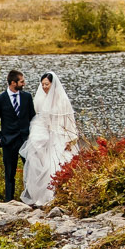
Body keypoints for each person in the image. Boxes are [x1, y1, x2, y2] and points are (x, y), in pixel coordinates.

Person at [22, 70, 81, 206]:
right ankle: (44, 197)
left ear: (53, 84)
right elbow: (39, 118)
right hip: (45, 137)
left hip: (60, 136)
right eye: (42, 84)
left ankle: (61, 195)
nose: (44, 87)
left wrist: (71, 139)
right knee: (44, 165)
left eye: (47, 84)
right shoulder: (40, 99)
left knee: (58, 164)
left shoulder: (62, 100)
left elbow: (69, 120)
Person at [0, 69, 36, 202]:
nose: (24, 84)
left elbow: (32, 117)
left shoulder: (27, 97)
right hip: (8, 142)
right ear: (13, 83)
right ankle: (9, 201)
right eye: (22, 81)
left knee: (29, 171)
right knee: (10, 174)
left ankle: (30, 199)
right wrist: (0, 139)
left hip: (25, 141)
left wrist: (33, 136)